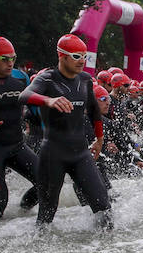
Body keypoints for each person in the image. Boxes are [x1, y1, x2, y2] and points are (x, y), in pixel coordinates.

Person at [18, 34, 113, 230]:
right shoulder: (48, 78)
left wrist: (100, 139)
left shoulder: (86, 79)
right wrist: (48, 100)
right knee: (46, 215)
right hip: (53, 154)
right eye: (77, 56)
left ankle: (103, 251)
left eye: (85, 56)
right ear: (62, 56)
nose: (82, 61)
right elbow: (24, 95)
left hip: (81, 154)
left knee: (104, 207)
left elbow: (95, 111)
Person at [0, 36, 40, 220]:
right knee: (0, 200)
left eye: (13, 58)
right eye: (5, 59)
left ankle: (23, 211)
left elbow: (35, 107)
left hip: (17, 146)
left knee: (46, 181)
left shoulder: (20, 81)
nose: (10, 63)